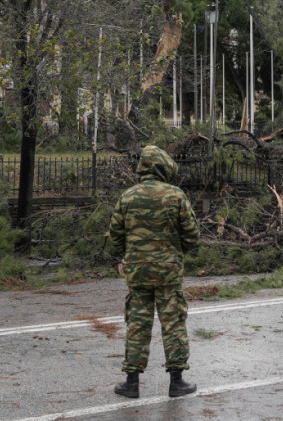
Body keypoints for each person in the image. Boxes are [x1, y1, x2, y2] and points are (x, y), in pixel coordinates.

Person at [109, 144, 200, 399]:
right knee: (173, 324)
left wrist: (130, 253)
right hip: (168, 272)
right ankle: (177, 381)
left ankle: (131, 382)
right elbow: (192, 235)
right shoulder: (176, 195)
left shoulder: (128, 196)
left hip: (137, 272)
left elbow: (115, 234)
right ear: (163, 166)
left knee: (137, 323)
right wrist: (175, 251)